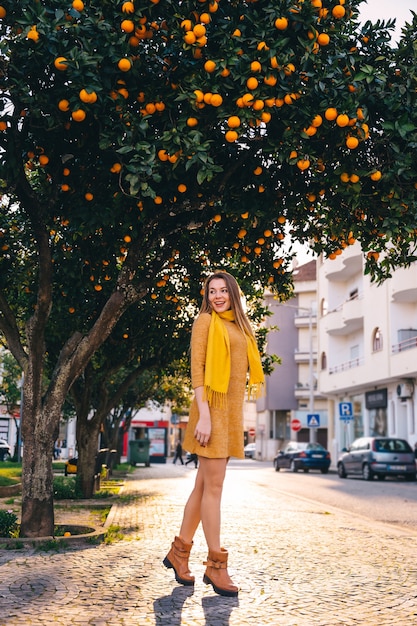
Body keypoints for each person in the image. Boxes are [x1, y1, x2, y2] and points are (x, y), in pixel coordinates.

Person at [163, 271, 265, 597]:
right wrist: (204, 416)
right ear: (206, 295)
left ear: (233, 293)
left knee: (203, 485)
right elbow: (197, 370)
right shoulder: (205, 322)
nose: (217, 296)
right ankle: (216, 566)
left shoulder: (239, 325)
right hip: (211, 412)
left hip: (229, 413)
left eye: (223, 290)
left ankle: (179, 554)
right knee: (214, 489)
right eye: (212, 291)